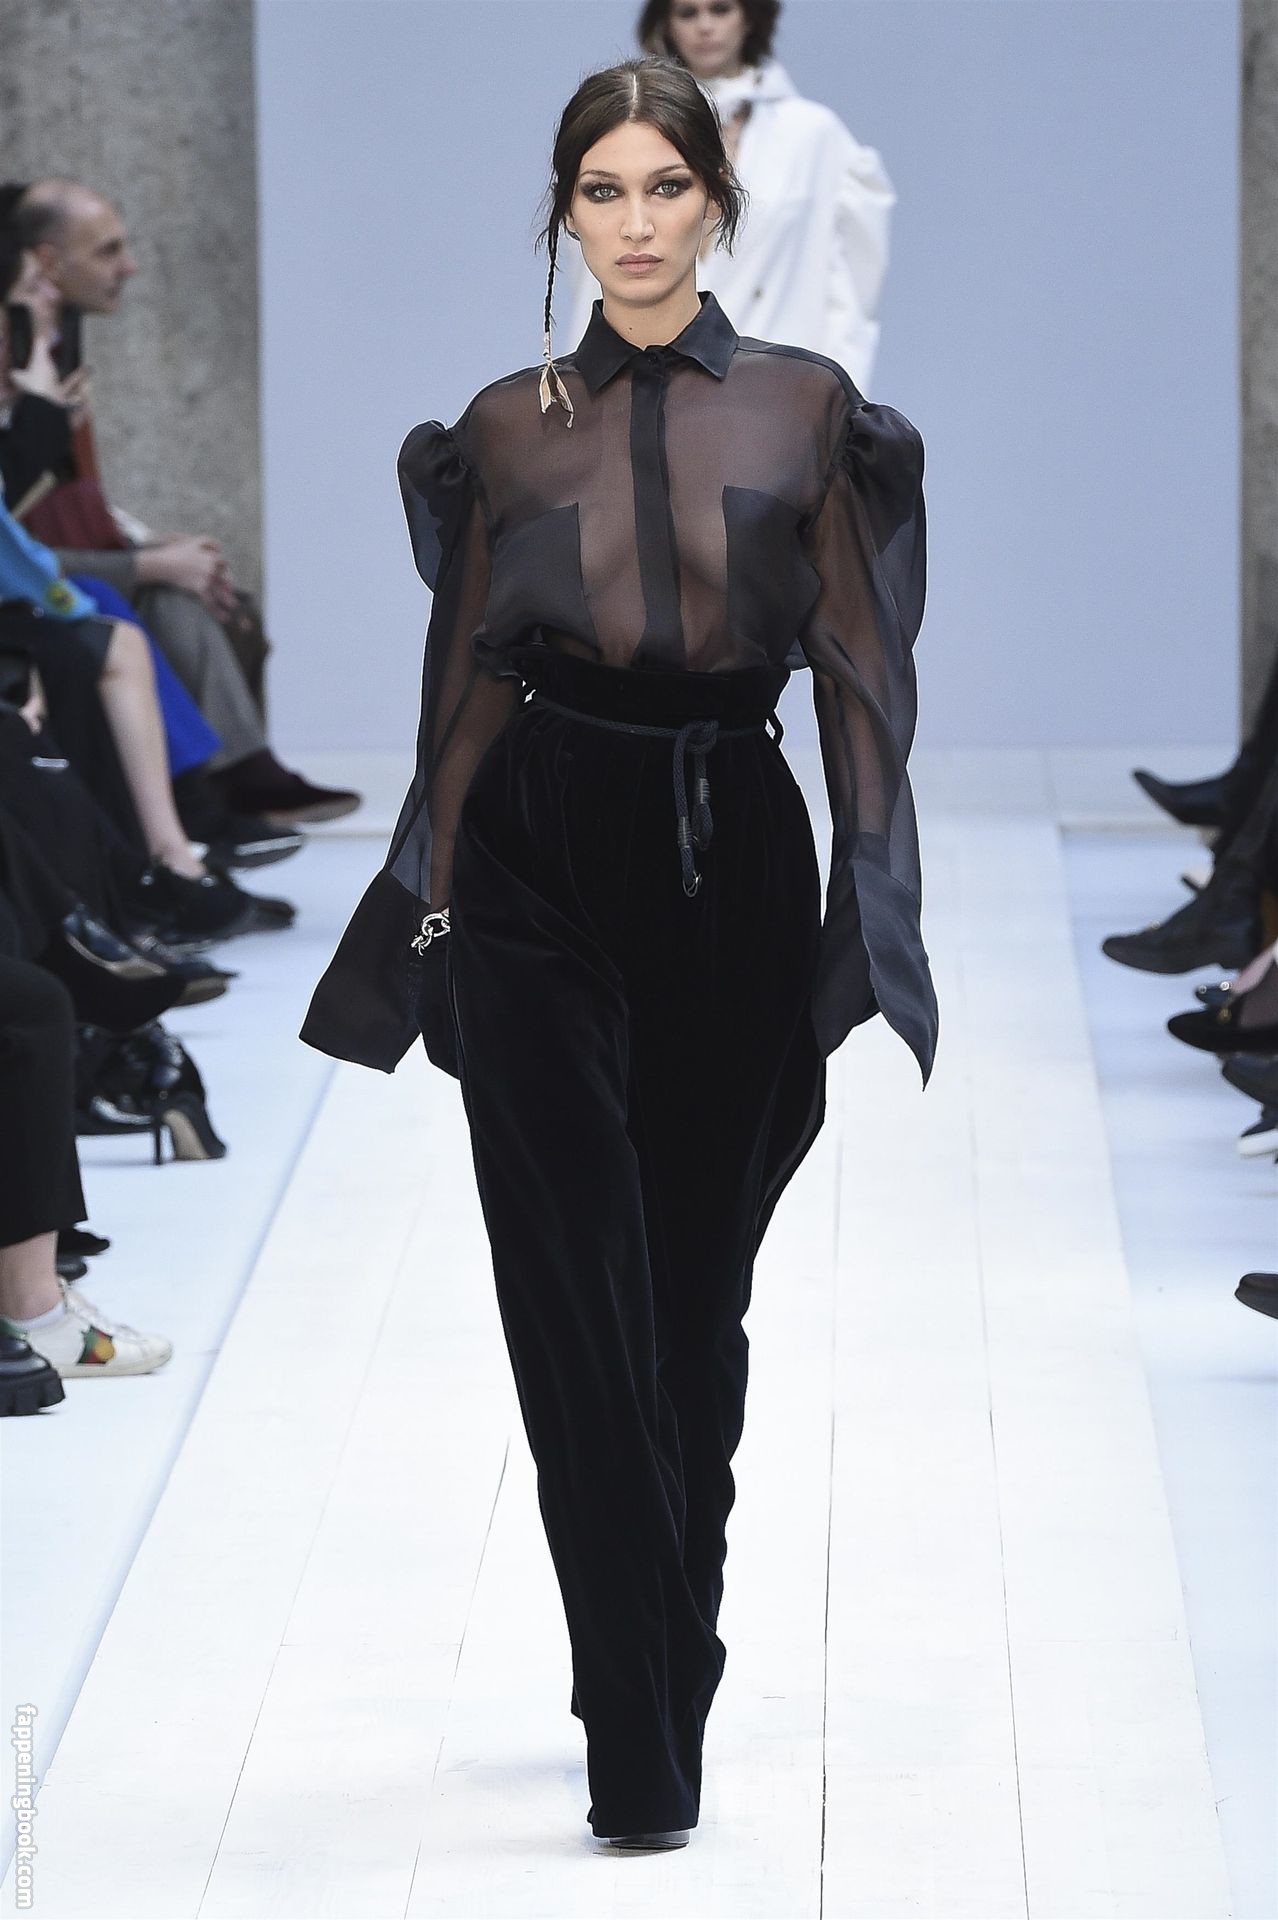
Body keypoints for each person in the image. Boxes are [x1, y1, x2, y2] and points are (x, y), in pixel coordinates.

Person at [302, 56, 937, 1851]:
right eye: (604, 192)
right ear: (562, 216)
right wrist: (429, 903)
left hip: (730, 851)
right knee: (570, 1296)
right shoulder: (501, 428)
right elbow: (462, 679)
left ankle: (667, 1645)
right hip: (534, 857)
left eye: (667, 188)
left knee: (687, 1304)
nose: (637, 224)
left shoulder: (808, 411)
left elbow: (859, 675)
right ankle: (637, 1734)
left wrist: (868, 903)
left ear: (716, 207)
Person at [1, 178, 362, 828]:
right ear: (46, 266)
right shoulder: (22, 361)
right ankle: (196, 810)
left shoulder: (54, 348)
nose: (130, 267)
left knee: (206, 598)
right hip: (27, 572)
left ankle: (224, 789)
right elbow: (19, 515)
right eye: (109, 251)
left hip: (39, 559)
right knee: (132, 605)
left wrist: (150, 547)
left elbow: (59, 493)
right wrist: (148, 560)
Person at [560, 1, 896, 393]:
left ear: (750, 17)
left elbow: (852, 293)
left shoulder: (813, 138)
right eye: (688, 13)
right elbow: (590, 274)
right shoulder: (618, 130)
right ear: (665, 22)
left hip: (775, 389)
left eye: (720, 10)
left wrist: (837, 402)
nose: (705, 27)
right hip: (629, 381)